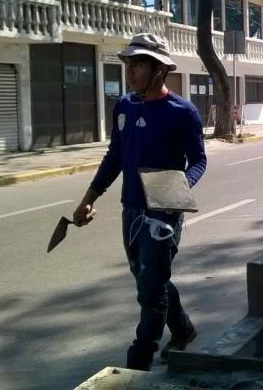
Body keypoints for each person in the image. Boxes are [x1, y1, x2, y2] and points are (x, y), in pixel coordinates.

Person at [72, 33, 207, 371]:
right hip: (130, 210)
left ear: (159, 69)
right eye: (128, 63)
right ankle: (183, 328)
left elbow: (199, 161)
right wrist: (89, 198)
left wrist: (178, 187)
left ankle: (138, 364)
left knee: (150, 292)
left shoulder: (183, 112)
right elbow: (114, 156)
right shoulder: (124, 107)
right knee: (148, 277)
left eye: (139, 63)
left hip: (163, 215)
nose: (130, 70)